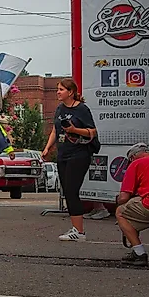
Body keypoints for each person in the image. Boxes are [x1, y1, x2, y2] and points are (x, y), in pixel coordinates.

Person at [41, 78, 98, 242]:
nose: (58, 92)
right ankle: (76, 229)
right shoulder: (59, 109)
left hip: (79, 153)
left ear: (70, 92)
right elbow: (54, 130)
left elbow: (92, 131)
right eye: (57, 89)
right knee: (67, 191)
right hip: (63, 153)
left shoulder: (82, 109)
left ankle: (79, 231)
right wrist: (47, 147)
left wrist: (74, 130)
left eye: (61, 89)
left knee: (72, 190)